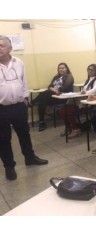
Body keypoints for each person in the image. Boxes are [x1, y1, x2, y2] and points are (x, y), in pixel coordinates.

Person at [0, 35, 48, 181]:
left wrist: (26, 98)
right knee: (3, 139)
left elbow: (24, 81)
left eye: (1, 45)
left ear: (10, 48)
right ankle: (9, 166)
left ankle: (30, 157)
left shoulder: (19, 62)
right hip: (1, 109)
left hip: (19, 106)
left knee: (24, 134)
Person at [58, 64, 96, 139]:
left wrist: (84, 93)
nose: (90, 71)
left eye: (92, 69)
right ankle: (70, 128)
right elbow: (83, 90)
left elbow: (94, 90)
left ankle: (76, 129)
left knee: (68, 111)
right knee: (62, 110)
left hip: (89, 102)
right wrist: (80, 93)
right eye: (88, 69)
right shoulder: (87, 80)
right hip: (81, 100)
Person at [29, 62, 74, 131]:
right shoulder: (56, 77)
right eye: (59, 68)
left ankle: (32, 103)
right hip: (53, 95)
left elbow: (64, 88)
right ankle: (41, 122)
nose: (61, 69)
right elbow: (49, 86)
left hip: (62, 97)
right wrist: (53, 89)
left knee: (45, 95)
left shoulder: (69, 77)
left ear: (66, 68)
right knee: (42, 101)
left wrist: (54, 90)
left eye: (63, 68)